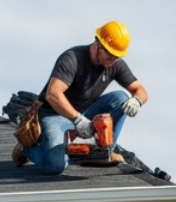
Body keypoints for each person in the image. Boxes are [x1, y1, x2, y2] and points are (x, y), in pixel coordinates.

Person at [15, 21, 149, 173]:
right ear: (98, 45)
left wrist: (137, 100)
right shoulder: (72, 59)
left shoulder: (114, 64)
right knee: (55, 166)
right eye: (110, 54)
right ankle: (26, 149)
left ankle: (103, 152)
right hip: (54, 114)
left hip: (84, 113)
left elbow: (140, 90)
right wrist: (78, 120)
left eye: (117, 56)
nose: (113, 59)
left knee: (121, 98)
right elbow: (53, 94)